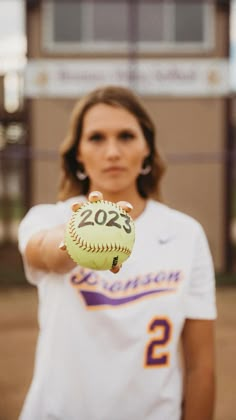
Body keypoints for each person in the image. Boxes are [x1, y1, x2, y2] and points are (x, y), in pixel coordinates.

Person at [18, 85, 217, 420]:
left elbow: (201, 366)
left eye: (126, 136)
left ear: (147, 150)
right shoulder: (50, 218)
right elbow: (44, 252)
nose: (112, 151)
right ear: (78, 154)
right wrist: (73, 239)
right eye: (96, 138)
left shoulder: (186, 234)